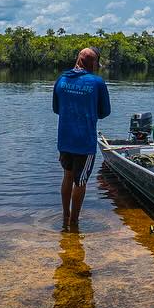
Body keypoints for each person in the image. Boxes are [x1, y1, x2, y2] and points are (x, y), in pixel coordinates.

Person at [53, 47, 111, 229]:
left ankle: (65, 217)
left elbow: (56, 109)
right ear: (93, 63)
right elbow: (104, 112)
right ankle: (74, 222)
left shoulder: (61, 79)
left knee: (67, 176)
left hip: (64, 139)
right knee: (81, 181)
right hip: (84, 142)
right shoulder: (97, 83)